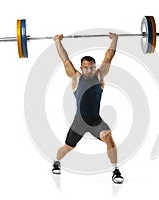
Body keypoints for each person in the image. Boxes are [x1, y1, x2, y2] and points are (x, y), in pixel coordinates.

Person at [52, 33, 124, 184]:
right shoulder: (76, 78)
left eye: (92, 67)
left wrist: (115, 40)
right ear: (81, 68)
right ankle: (56, 161)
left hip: (95, 121)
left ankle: (115, 170)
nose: (89, 70)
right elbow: (65, 59)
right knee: (67, 148)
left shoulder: (99, 76)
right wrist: (58, 42)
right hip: (79, 123)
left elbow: (109, 56)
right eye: (86, 68)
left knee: (109, 138)